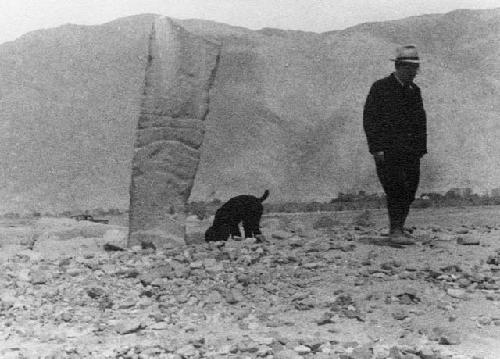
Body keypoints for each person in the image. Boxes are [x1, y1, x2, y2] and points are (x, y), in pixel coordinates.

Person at [363, 45, 427, 244]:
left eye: (416, 68)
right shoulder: (381, 87)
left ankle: (400, 226)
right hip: (388, 151)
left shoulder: (415, 91)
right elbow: (370, 119)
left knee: (410, 189)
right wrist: (376, 148)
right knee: (395, 188)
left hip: (411, 152)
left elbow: (420, 120)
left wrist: (420, 148)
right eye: (411, 68)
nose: (414, 72)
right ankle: (395, 229)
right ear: (400, 67)